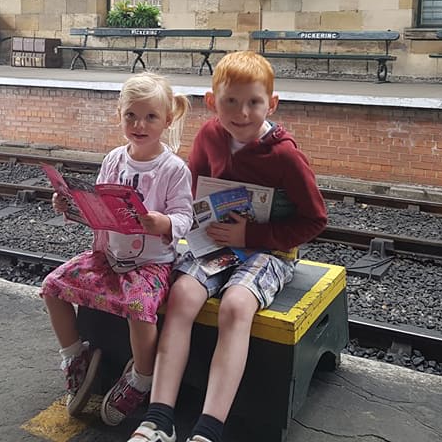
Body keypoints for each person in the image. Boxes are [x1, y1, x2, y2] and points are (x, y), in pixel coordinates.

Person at [127, 51, 327, 442]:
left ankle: (209, 428)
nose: (242, 113)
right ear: (211, 102)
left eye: (253, 102)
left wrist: (250, 237)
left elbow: (314, 219)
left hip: (269, 251)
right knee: (183, 293)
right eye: (230, 102)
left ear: (271, 103)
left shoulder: (285, 155)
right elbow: (189, 190)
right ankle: (159, 417)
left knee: (237, 305)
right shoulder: (209, 136)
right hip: (215, 241)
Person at [40, 71, 195, 426]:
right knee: (53, 287)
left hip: (151, 263)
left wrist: (165, 223)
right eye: (131, 115)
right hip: (108, 255)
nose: (139, 124)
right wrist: (70, 206)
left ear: (167, 120)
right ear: (120, 114)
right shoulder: (113, 159)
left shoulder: (173, 169)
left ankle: (142, 377)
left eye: (150, 117)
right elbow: (97, 205)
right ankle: (74, 355)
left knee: (140, 309)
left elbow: (186, 215)